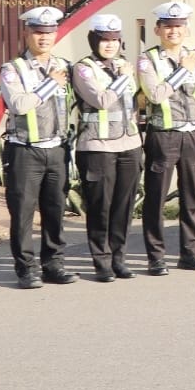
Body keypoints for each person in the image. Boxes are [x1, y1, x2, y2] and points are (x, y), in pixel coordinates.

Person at [137, 1, 195, 275]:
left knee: (192, 197)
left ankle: (190, 253)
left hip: (193, 135)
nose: (174, 31)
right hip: (163, 136)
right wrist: (182, 69)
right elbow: (155, 95)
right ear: (158, 29)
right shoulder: (148, 60)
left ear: (186, 29)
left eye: (179, 26)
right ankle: (156, 257)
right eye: (168, 26)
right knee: (156, 197)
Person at [0, 6, 76, 288]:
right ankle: (26, 269)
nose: (44, 37)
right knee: (23, 212)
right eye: (38, 32)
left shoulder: (65, 65)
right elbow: (19, 104)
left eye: (49, 32)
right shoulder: (12, 69)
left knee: (55, 210)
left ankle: (53, 265)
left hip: (57, 149)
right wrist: (49, 83)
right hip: (25, 150)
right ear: (27, 33)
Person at [71, 14, 143, 282]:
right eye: (104, 39)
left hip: (129, 144)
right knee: (101, 206)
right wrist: (123, 78)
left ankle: (119, 258)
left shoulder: (124, 65)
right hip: (97, 146)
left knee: (123, 207)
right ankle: (101, 261)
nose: (110, 45)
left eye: (114, 39)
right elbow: (101, 100)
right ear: (94, 40)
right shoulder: (83, 68)